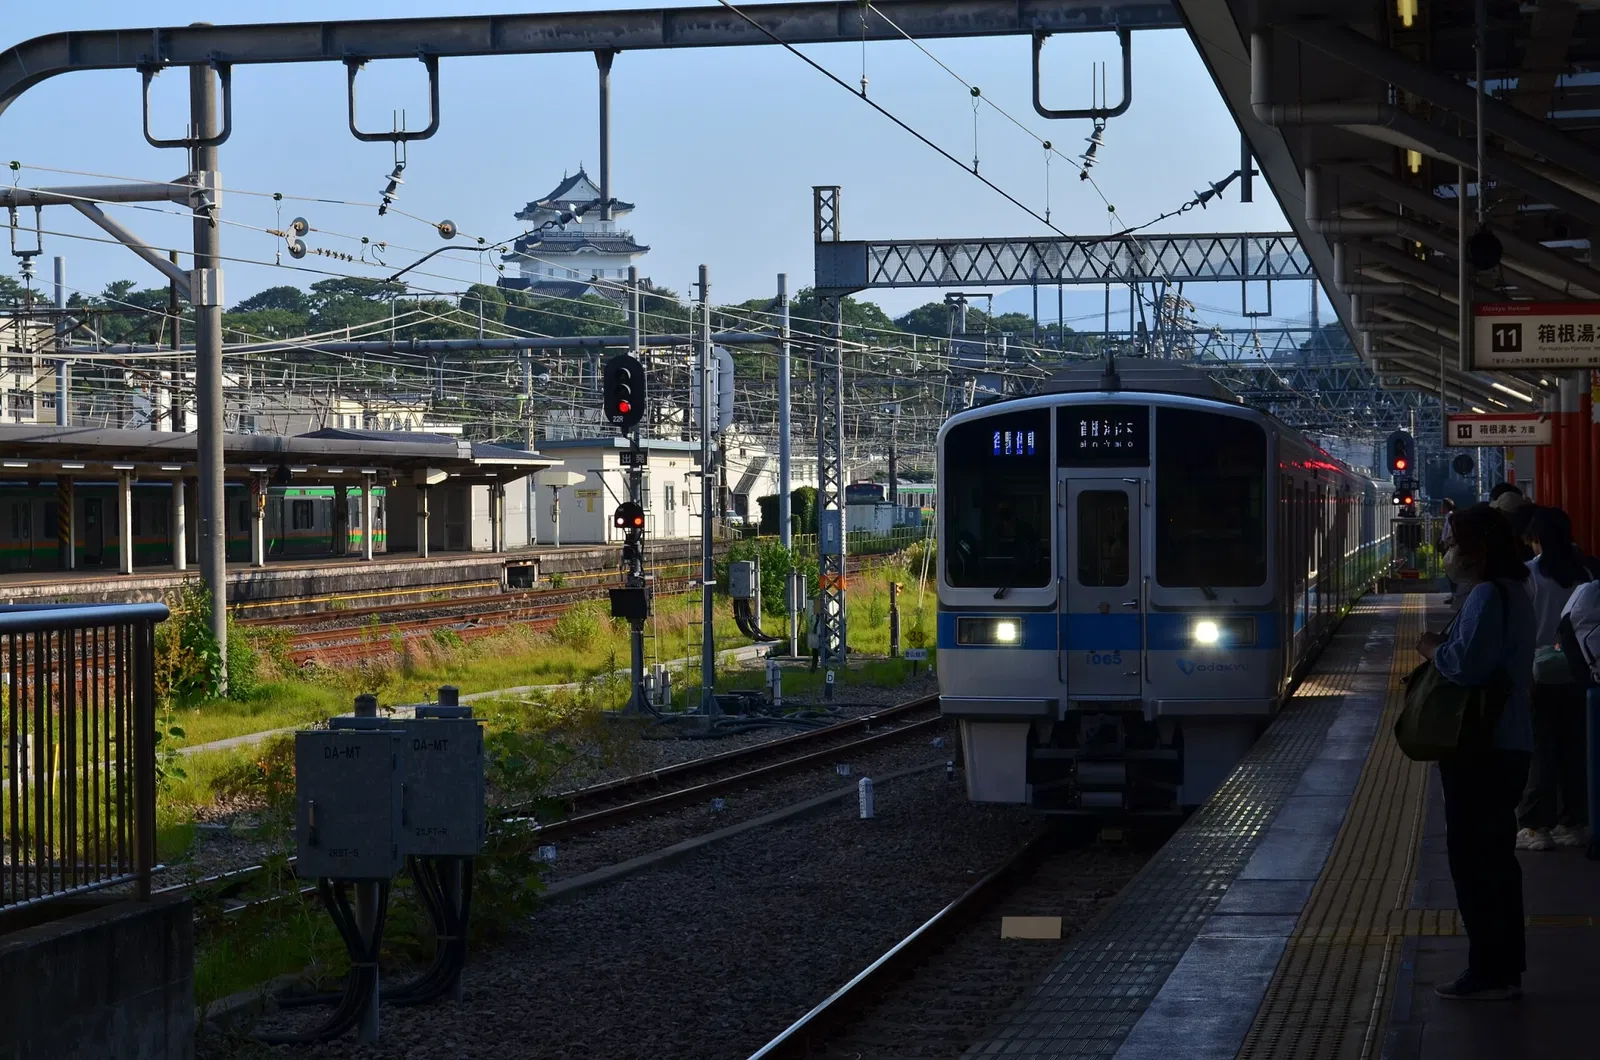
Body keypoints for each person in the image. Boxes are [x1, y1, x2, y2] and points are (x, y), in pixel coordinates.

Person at [1417, 503, 1535, 1001]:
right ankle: (1504, 967)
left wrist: (1429, 648)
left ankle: (1486, 969)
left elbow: (1464, 666)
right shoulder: (1516, 592)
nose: (1448, 552)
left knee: (1472, 859)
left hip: (1478, 746)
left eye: (1454, 542)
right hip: (1509, 743)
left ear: (1479, 549)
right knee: (1497, 858)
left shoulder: (1488, 594)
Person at [1517, 507, 1591, 850]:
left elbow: (1524, 630)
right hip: (1581, 672)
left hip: (1539, 673)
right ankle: (1575, 821)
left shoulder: (1529, 575)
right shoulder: (1587, 574)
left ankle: (1536, 827)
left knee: (1541, 750)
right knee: (1577, 748)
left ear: (1539, 539)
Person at [1439, 498, 1458, 604]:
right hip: (1447, 547)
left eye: (1442, 506)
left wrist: (1446, 543)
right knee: (1450, 572)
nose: (1440, 509)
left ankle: (1454, 595)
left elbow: (1449, 533)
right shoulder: (1449, 516)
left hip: (1448, 547)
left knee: (1451, 572)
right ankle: (1454, 594)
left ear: (1446, 507)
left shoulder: (1450, 517)